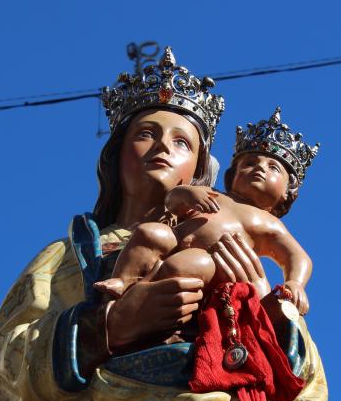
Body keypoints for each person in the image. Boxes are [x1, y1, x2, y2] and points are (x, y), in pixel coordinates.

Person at [0, 47, 341, 401]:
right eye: (145, 134)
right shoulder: (68, 258)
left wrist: (266, 302)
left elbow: (307, 387)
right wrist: (110, 326)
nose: (161, 148)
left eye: (182, 142)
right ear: (115, 154)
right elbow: (9, 362)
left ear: (200, 171)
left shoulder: (237, 241)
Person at [95, 107, 319, 321]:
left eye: (273, 168)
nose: (259, 168)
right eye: (249, 163)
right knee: (149, 233)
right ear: (231, 176)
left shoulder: (270, 224)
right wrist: (187, 194)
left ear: (286, 195)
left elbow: (297, 257)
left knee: (184, 265)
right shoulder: (213, 194)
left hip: (208, 258)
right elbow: (172, 201)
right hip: (174, 238)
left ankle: (144, 291)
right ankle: (122, 281)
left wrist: (294, 284)